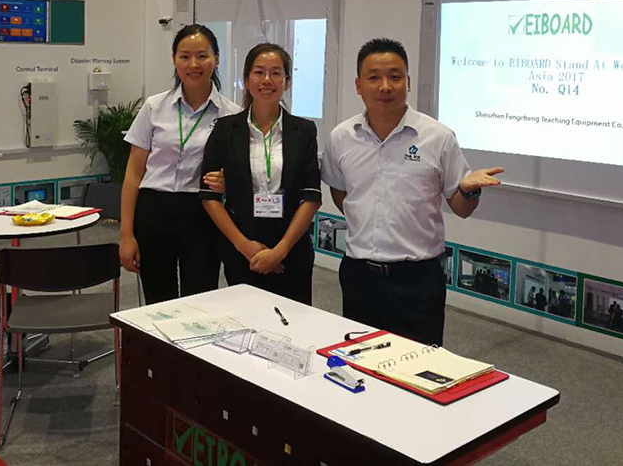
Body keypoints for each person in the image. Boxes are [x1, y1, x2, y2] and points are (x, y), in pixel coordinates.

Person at [321, 38, 504, 346]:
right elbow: (341, 194)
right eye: (374, 77)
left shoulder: (438, 137)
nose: (385, 86)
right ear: (358, 85)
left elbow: (461, 208)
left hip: (417, 279)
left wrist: (468, 191)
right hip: (359, 274)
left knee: (419, 364)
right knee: (360, 359)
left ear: (408, 82)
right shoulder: (342, 137)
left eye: (395, 77)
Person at [120, 24, 240, 304]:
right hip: (153, 211)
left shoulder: (232, 115)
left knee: (199, 300)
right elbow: (133, 174)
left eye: (202, 56)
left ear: (217, 59)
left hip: (202, 213)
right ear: (174, 60)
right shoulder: (154, 107)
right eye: (185, 56)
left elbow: (238, 173)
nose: (193, 64)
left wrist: (228, 181)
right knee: (157, 300)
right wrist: (126, 235)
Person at [199, 43, 321, 304]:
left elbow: (311, 196)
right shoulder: (225, 129)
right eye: (259, 72)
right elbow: (208, 196)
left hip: (292, 248)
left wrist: (280, 251)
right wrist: (244, 247)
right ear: (246, 80)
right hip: (241, 247)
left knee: (294, 322)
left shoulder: (304, 131)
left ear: (287, 82)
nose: (267, 80)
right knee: (244, 321)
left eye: (276, 73)